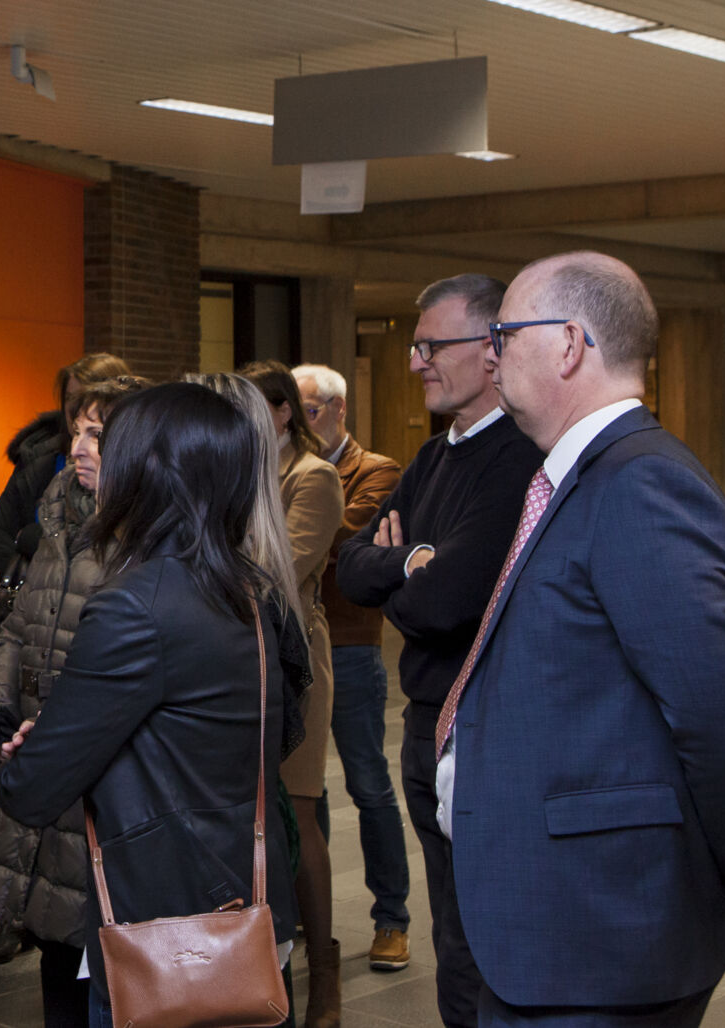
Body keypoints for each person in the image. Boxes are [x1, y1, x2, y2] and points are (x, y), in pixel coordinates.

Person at [449, 250, 725, 1025]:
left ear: (570, 345)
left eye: (505, 333)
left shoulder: (639, 483)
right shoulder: (580, 475)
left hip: (601, 934)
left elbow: (723, 718)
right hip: (567, 918)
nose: (489, 353)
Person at [0, 381, 303, 1028]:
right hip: (246, 900)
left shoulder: (137, 604)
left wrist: (30, 752)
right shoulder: (247, 589)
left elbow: (32, 789)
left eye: (113, 448)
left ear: (145, 472)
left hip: (172, 932)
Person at [335, 274, 539, 1028]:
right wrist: (411, 560)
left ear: (492, 352)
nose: (416, 360)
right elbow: (352, 568)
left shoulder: (517, 458)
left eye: (432, 345)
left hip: (484, 731)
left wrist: (409, 567)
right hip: (427, 724)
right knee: (453, 928)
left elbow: (447, 603)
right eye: (415, 345)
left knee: (481, 941)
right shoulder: (430, 459)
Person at [0, 375, 149, 1025]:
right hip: (38, 755)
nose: (78, 445)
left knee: (97, 939)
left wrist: (60, 729)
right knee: (51, 936)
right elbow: (17, 626)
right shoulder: (56, 512)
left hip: (93, 765)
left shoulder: (144, 535)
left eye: (96, 435)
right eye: (77, 430)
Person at [291, 363, 411, 973]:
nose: (296, 419)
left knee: (369, 787)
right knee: (303, 795)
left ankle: (392, 919)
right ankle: (312, 922)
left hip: (352, 645)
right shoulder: (283, 469)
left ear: (337, 410)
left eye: (307, 408)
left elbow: (336, 539)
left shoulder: (378, 469)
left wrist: (296, 523)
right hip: (300, 646)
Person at [240, 359, 345, 1028]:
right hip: (236, 656)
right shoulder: (245, 472)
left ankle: (324, 979)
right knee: (252, 814)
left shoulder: (315, 477)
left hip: (294, 659)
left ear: (282, 412)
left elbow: (281, 567)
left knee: (298, 816)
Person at [0, 353, 132, 578]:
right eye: (70, 397)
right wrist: (34, 586)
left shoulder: (132, 478)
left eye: (85, 395)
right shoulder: (39, 459)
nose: (74, 407)